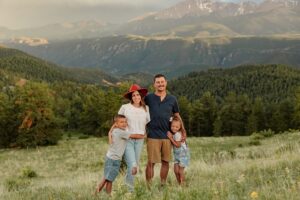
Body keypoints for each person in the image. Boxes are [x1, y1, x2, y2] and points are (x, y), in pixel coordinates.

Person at [145, 74, 187, 186]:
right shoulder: (148, 98)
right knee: (151, 163)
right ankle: (148, 186)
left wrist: (183, 131)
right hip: (152, 135)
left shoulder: (172, 99)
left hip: (168, 135)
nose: (160, 84)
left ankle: (162, 185)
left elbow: (177, 115)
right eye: (158, 82)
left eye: (162, 82)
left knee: (165, 162)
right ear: (154, 84)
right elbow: (140, 109)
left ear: (166, 83)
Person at [110, 84, 150, 192]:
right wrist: (111, 133)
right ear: (131, 97)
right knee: (132, 165)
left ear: (141, 96)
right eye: (133, 95)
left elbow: (145, 124)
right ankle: (130, 191)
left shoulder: (146, 108)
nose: (136, 97)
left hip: (140, 141)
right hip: (128, 140)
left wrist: (145, 134)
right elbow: (117, 122)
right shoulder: (125, 108)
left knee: (135, 166)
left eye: (138, 95)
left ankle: (128, 188)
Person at [95, 114, 144, 195]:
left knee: (109, 179)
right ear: (116, 124)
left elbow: (111, 130)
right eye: (121, 122)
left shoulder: (115, 130)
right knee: (107, 179)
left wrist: (112, 128)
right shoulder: (120, 132)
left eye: (125, 122)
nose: (124, 123)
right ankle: (95, 194)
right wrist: (143, 135)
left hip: (114, 159)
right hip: (113, 160)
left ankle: (107, 195)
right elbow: (134, 135)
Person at [167, 117, 190, 185]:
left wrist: (171, 138)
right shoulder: (175, 133)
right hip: (177, 155)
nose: (174, 128)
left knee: (180, 171)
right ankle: (179, 183)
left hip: (183, 155)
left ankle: (183, 184)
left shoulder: (177, 134)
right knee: (176, 170)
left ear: (180, 127)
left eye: (177, 127)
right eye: (173, 126)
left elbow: (178, 145)